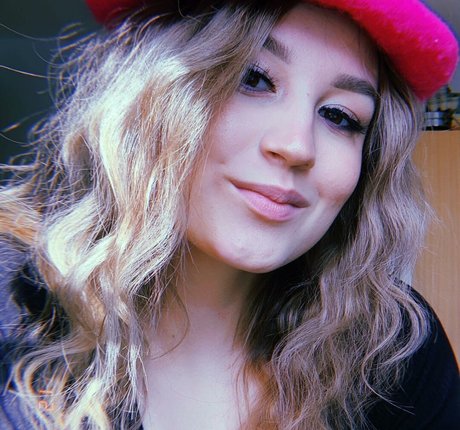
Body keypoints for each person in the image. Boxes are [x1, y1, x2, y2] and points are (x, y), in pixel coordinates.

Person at [0, 0, 458, 428]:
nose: (296, 146)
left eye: (339, 116)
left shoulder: (396, 352)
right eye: (252, 78)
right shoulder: (14, 300)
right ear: (147, 92)